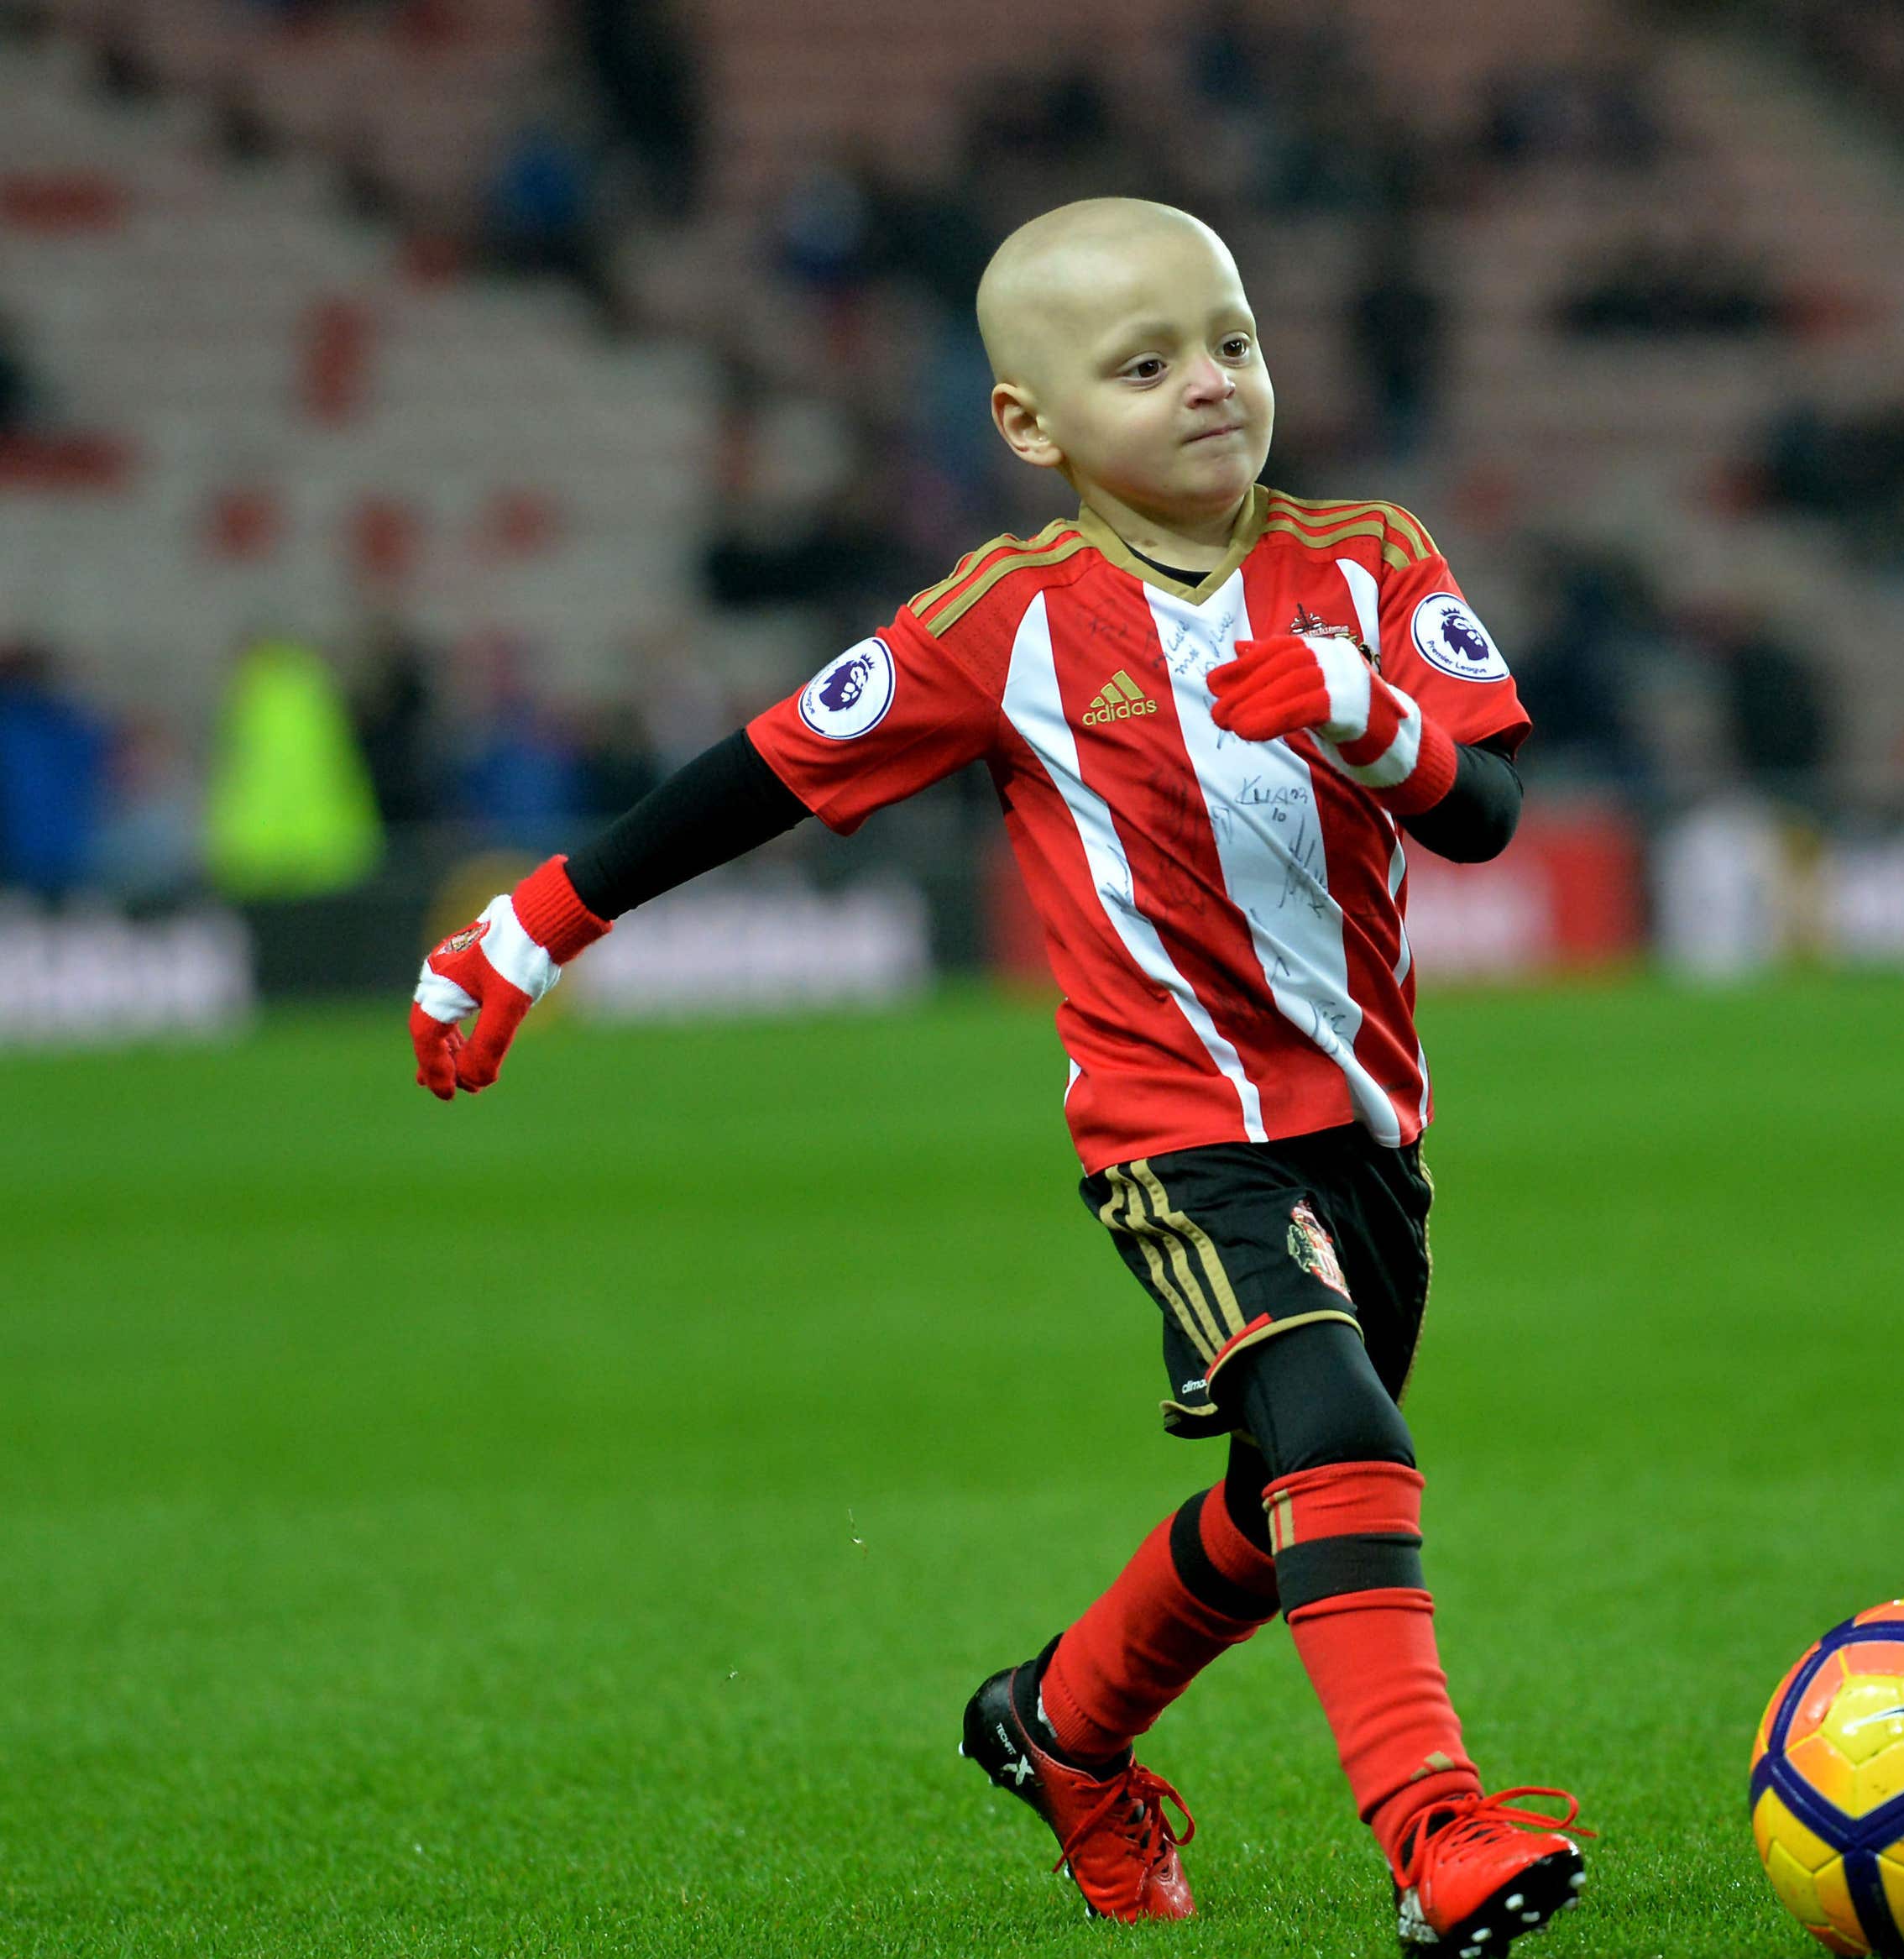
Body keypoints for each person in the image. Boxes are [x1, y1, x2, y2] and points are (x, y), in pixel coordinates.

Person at [401, 199, 1583, 1956]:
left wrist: (1364, 711)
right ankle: (1435, 1838)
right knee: (1340, 1434)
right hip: (1177, 1138)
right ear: (1030, 426)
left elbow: (1480, 817)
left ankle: (1054, 1730)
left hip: (1367, 1132)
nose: (1209, 387)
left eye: (1232, 342)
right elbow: (767, 772)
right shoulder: (1000, 624)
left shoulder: (1373, 561)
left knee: (1288, 1515)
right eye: (1145, 363)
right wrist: (534, 927)